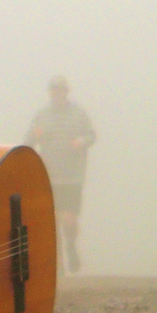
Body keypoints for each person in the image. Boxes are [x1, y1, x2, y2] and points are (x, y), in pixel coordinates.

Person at [24, 76, 95, 275]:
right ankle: (58, 265)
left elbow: (92, 135)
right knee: (52, 223)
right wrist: (34, 136)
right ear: (50, 92)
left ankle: (71, 245)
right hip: (49, 176)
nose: (57, 93)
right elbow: (27, 142)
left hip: (73, 177)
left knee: (69, 220)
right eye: (53, 90)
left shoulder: (79, 114)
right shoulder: (41, 116)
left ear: (66, 91)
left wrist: (81, 141)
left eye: (60, 89)